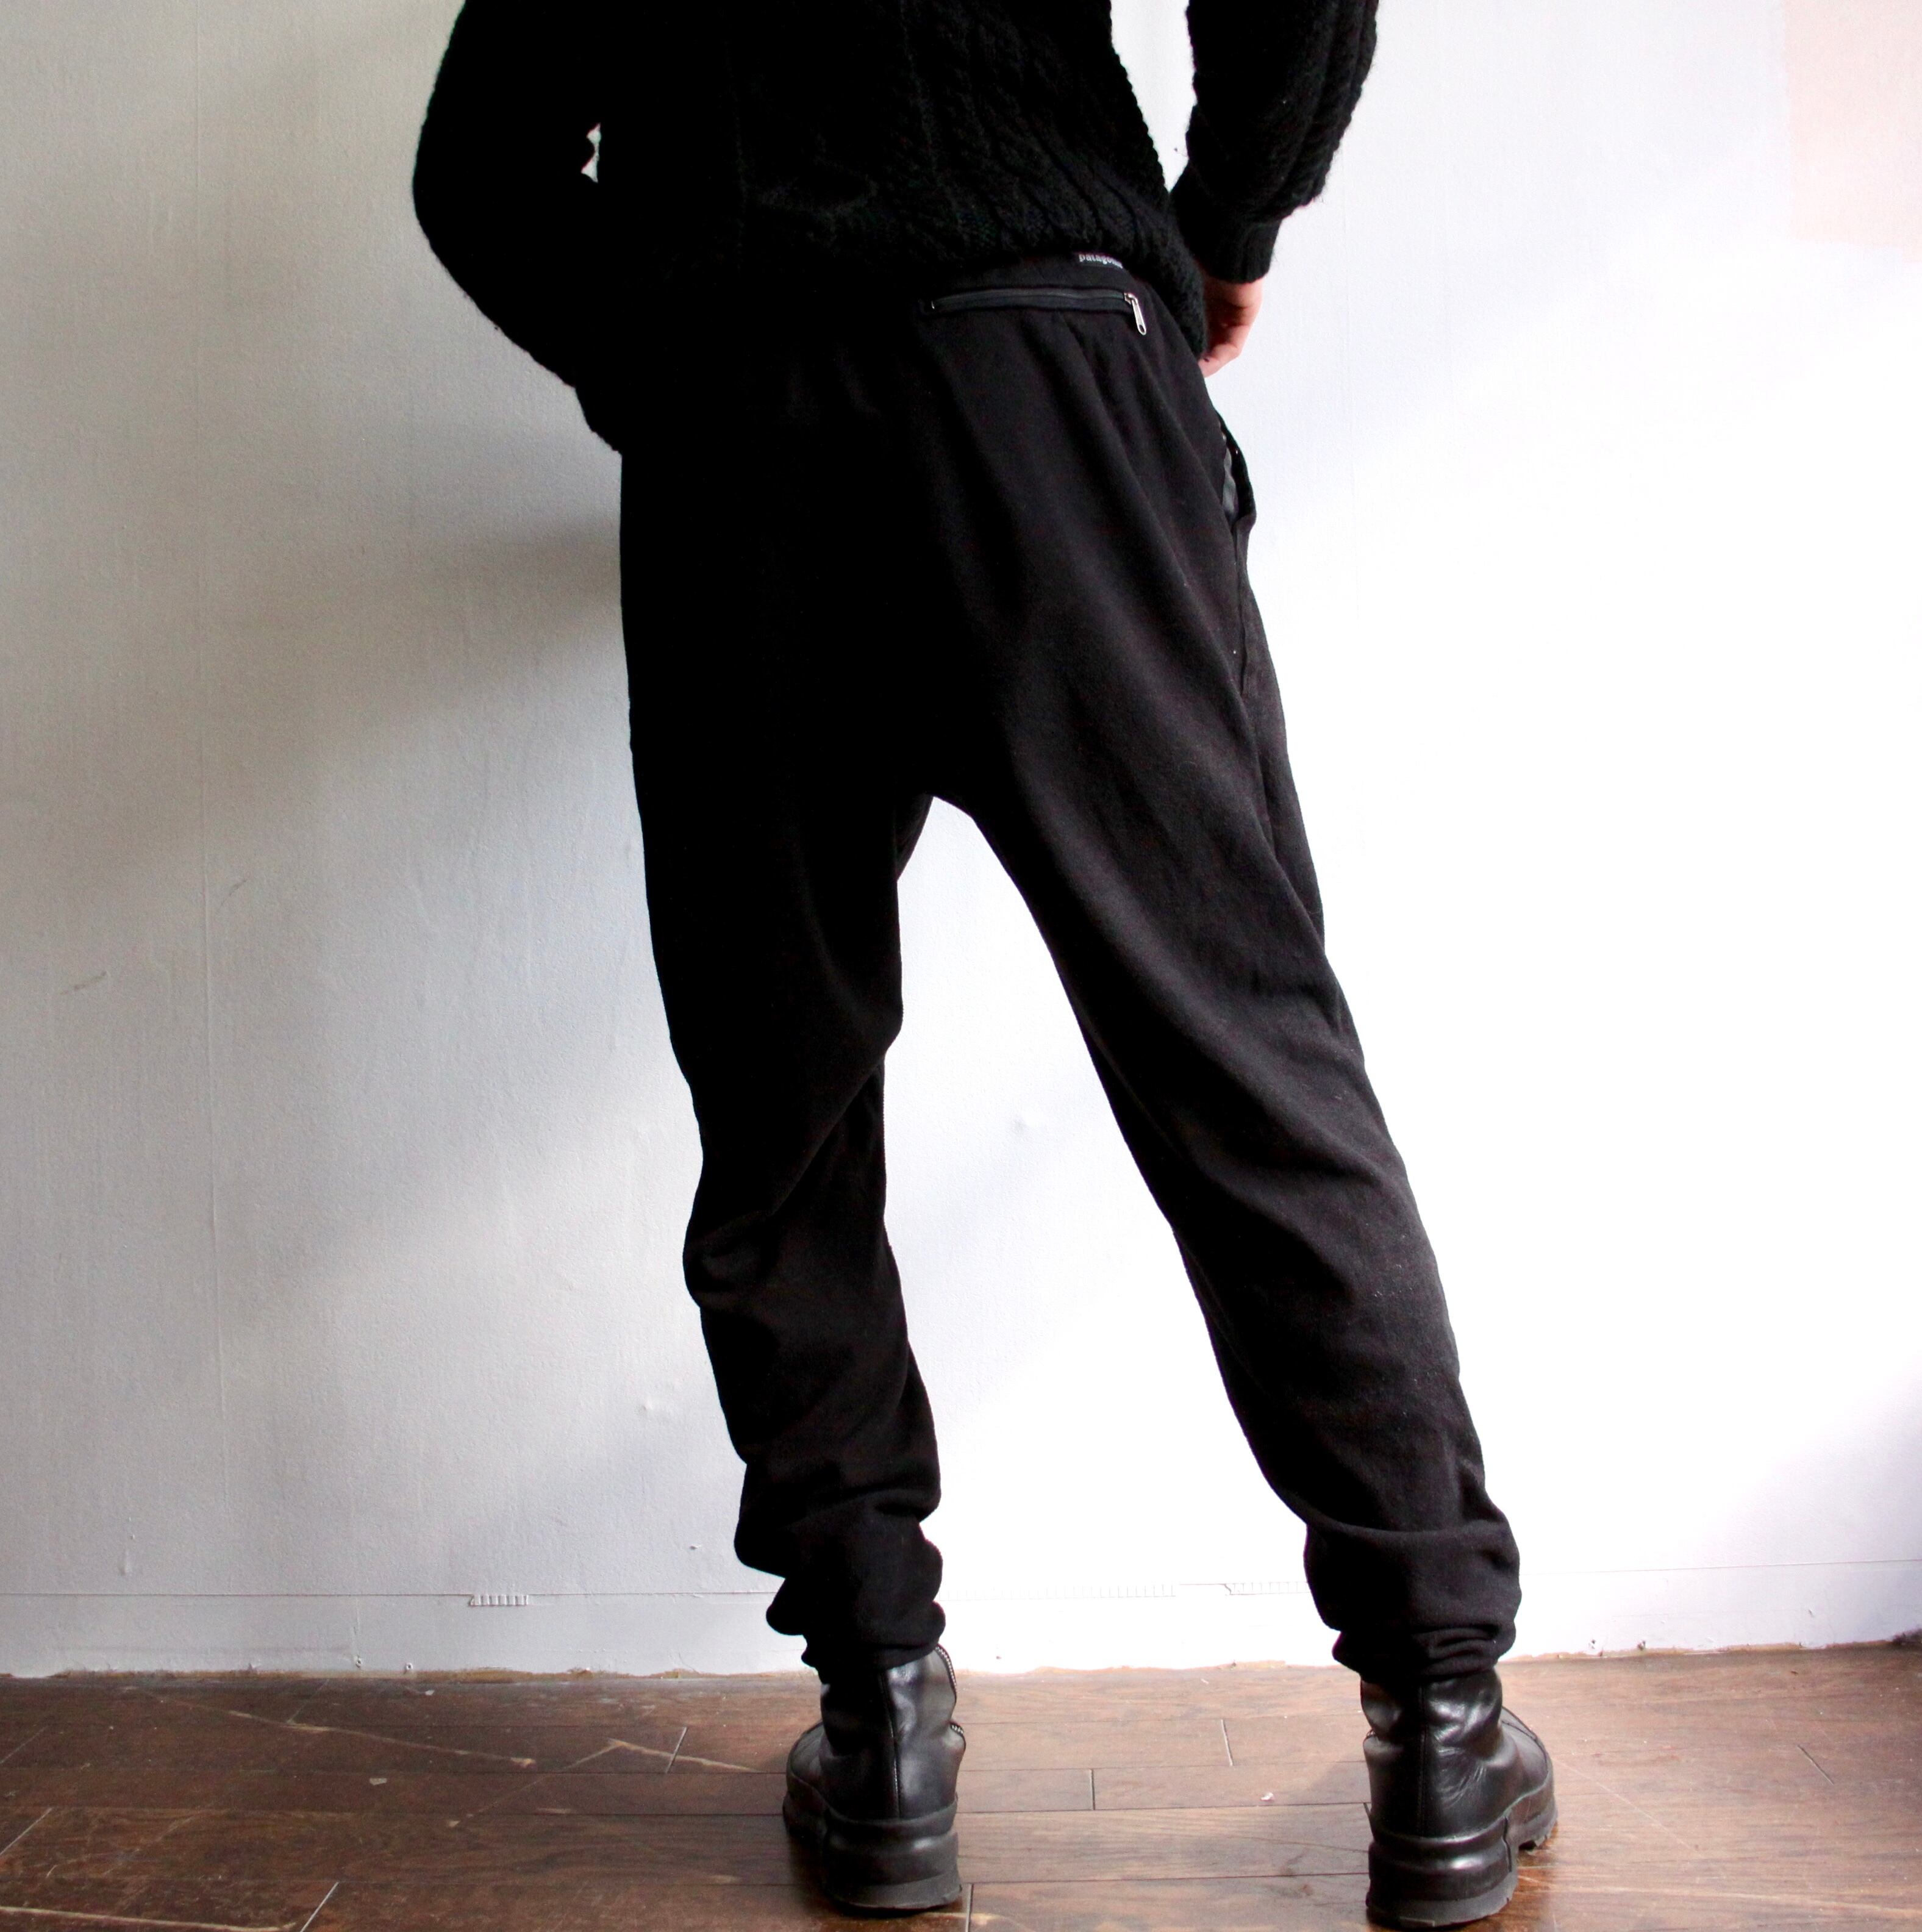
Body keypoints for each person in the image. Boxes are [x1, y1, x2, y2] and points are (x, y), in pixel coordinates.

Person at [412, 4, 1554, 1923]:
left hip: (738, 453)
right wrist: (1226, 225)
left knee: (783, 1111)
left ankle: (882, 1723)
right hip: (1044, 379)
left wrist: (664, 359)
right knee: (1242, 1057)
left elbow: (482, 176)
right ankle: (1439, 1720)